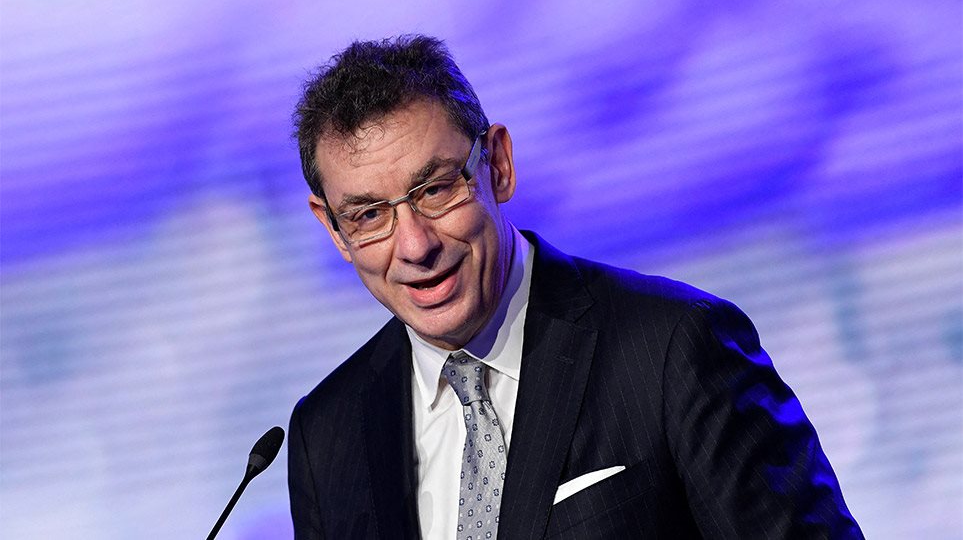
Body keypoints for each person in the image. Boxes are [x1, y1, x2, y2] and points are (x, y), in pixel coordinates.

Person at [287, 35, 863, 540]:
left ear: (498, 165)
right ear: (333, 229)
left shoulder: (673, 348)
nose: (415, 246)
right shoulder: (326, 434)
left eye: (436, 190)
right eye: (368, 215)